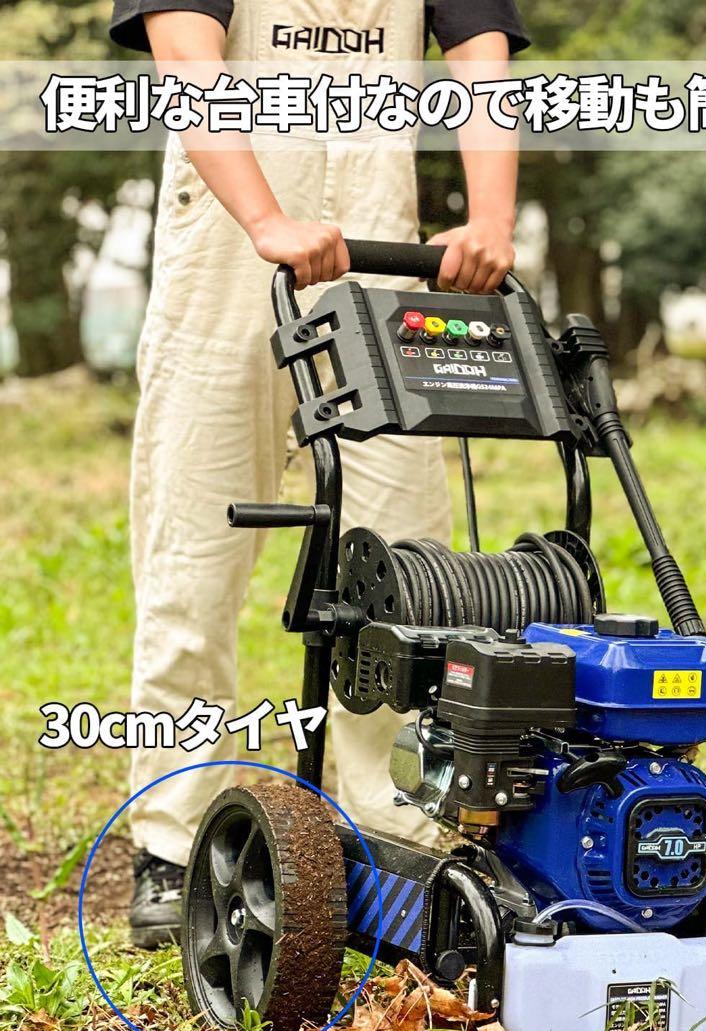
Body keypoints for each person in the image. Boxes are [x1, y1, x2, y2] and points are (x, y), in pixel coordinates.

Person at [110, 0, 528, 948]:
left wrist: (491, 220)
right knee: (194, 564)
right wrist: (266, 218)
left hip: (379, 266)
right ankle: (173, 844)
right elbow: (187, 60)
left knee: (404, 567)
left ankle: (391, 827)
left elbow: (481, 60)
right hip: (223, 259)